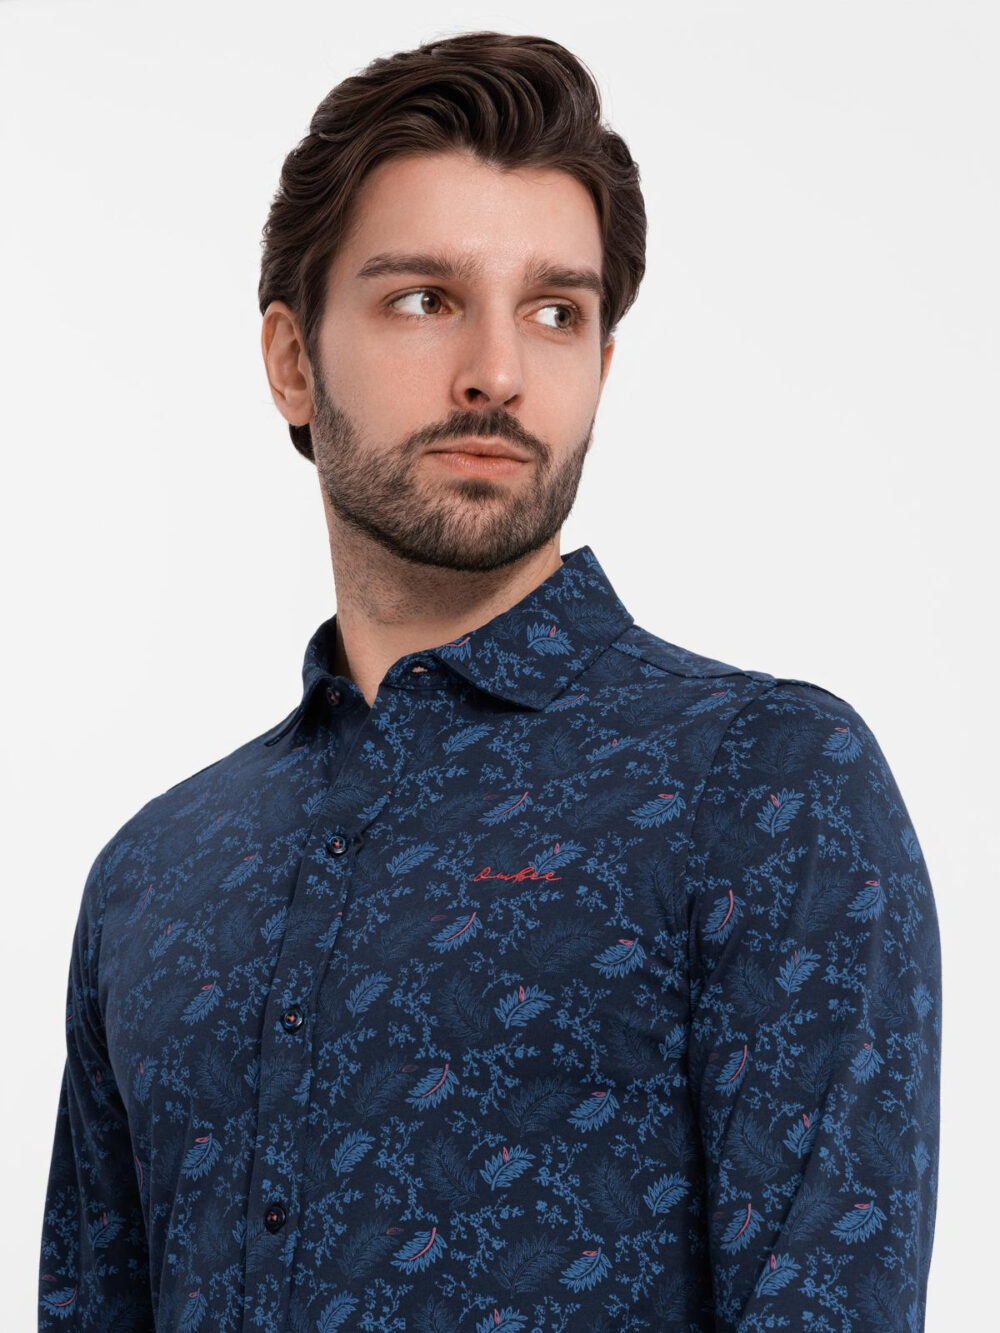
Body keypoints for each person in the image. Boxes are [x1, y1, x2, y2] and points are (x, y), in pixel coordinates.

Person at [37, 29, 941, 1333]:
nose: (498, 373)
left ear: (602, 367)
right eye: (424, 299)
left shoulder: (764, 783)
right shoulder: (153, 873)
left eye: (556, 312)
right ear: (292, 360)